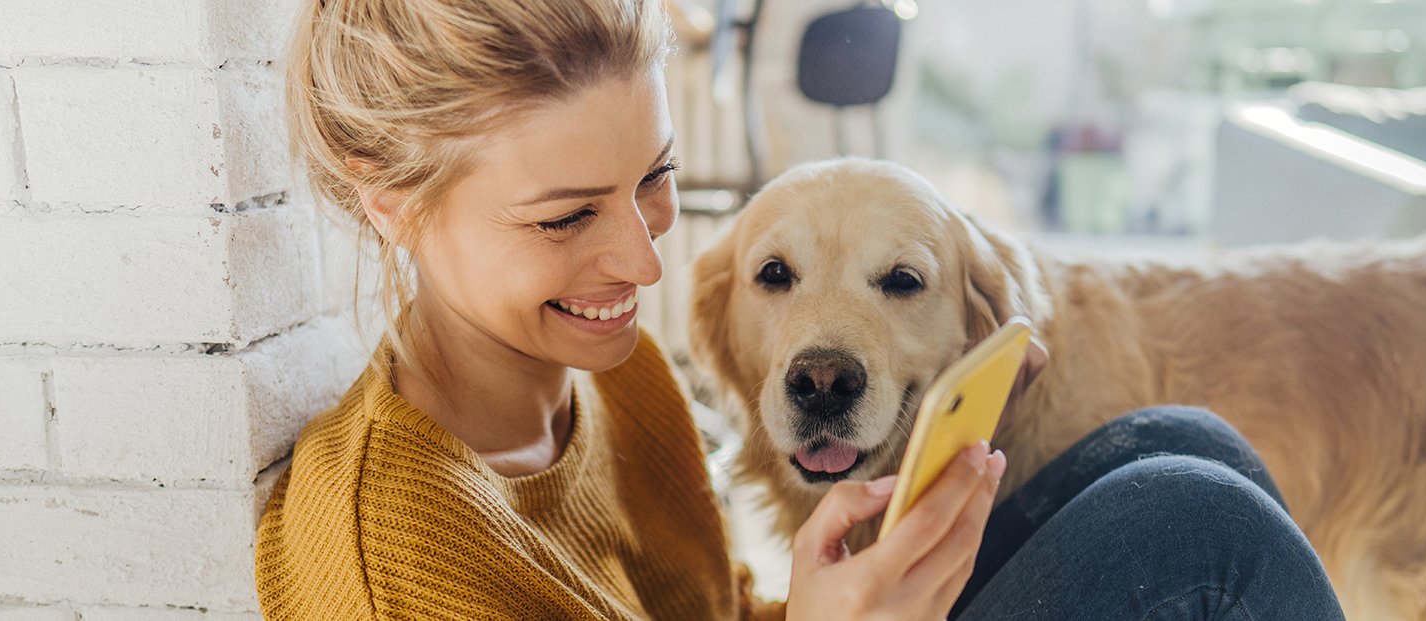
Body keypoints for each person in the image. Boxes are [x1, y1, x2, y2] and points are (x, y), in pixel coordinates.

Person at [256, 0, 1349, 619]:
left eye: (653, 179)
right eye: (564, 218)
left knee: (1171, 447)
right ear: (392, 205)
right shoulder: (392, 562)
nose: (642, 259)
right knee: (1193, 526)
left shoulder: (605, 370)